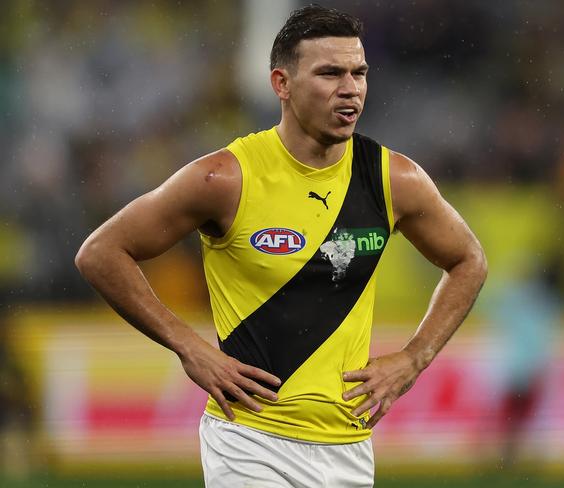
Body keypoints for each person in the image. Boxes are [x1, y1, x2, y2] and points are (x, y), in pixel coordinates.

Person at [75, 5, 487, 487]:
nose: (350, 88)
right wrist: (188, 344)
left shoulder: (393, 178)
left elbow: (468, 260)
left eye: (359, 72)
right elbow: (100, 253)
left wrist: (415, 357)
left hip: (348, 447)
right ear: (281, 83)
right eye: (329, 73)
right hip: (250, 442)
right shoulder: (225, 178)